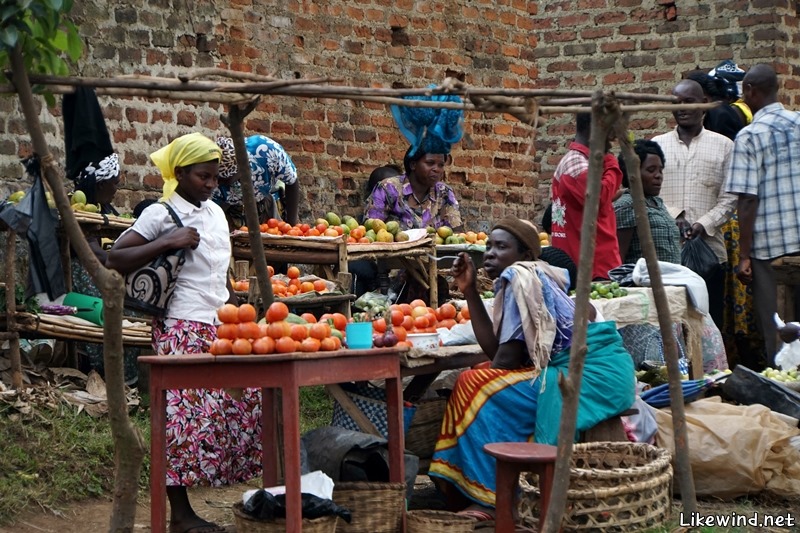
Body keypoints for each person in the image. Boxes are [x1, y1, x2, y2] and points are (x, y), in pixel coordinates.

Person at [428, 216, 634, 522]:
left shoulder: (520, 277)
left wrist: (492, 365)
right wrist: (469, 290)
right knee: (479, 377)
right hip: (597, 371)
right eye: (488, 246)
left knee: (474, 383)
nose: (490, 253)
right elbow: (503, 354)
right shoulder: (527, 276)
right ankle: (475, 485)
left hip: (589, 375)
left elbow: (503, 361)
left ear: (524, 255)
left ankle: (492, 497)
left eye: (501, 246)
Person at [107, 132, 261, 533]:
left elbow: (220, 273)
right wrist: (168, 241)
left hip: (222, 324)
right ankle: (180, 514)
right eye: (202, 177)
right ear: (179, 173)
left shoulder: (216, 213)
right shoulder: (159, 214)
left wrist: (235, 310)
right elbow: (115, 256)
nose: (210, 185)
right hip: (180, 327)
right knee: (181, 421)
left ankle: (246, 490)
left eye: (214, 178)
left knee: (242, 407)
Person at [725, 64, 800, 365]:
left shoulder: (749, 136)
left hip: (769, 249)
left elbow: (747, 200)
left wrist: (744, 256)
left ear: (750, 92)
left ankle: (787, 392)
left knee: (777, 327)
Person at [652, 79, 736, 330]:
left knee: (709, 323)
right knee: (671, 323)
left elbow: (731, 197)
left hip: (710, 253)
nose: (682, 108)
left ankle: (709, 370)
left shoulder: (723, 145)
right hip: (667, 252)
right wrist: (673, 216)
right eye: (676, 102)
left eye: (688, 101)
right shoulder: (657, 145)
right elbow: (647, 194)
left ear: (704, 104)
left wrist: (703, 223)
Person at [365, 93, 464, 232]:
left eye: (441, 165)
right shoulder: (388, 189)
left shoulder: (444, 193)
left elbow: (457, 234)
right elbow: (372, 232)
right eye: (430, 163)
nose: (437, 169)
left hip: (435, 254)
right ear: (413, 164)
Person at [550, 112, 623, 280]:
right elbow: (599, 196)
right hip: (592, 267)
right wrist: (611, 163)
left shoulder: (579, 162)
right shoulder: (576, 164)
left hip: (592, 263)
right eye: (609, 132)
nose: (611, 139)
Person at [614, 140, 681, 265]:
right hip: (644, 282)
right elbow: (618, 256)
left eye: (660, 170)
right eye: (651, 170)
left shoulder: (657, 203)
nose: (658, 176)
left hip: (671, 281)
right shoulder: (627, 205)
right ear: (632, 173)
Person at [213, 135, 300, 229]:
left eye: (225, 180)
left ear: (241, 169)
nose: (218, 182)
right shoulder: (212, 183)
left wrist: (291, 227)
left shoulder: (267, 151)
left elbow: (292, 181)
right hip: (231, 211)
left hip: (266, 205)